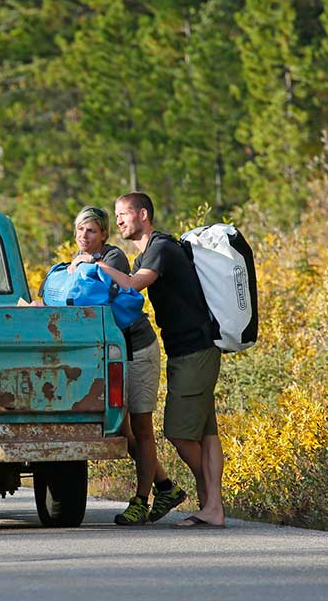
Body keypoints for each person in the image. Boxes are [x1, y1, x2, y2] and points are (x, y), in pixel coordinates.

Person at [102, 192, 225, 528]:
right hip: (191, 349)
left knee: (178, 432)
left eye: (124, 214)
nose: (119, 221)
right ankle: (211, 506)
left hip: (194, 350)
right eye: (116, 216)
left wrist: (96, 265)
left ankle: (212, 501)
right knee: (206, 433)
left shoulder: (159, 249)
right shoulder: (150, 252)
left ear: (143, 214)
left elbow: (131, 285)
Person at [66, 206, 186, 526]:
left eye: (91, 230)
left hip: (137, 349)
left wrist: (83, 267)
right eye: (79, 230)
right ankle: (166, 487)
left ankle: (140, 501)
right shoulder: (79, 260)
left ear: (103, 234)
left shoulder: (112, 257)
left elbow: (99, 292)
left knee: (142, 429)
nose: (83, 236)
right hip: (111, 354)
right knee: (120, 426)